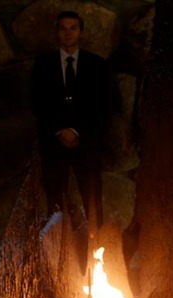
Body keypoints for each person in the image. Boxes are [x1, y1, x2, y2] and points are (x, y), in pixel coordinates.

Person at [32, 10, 108, 226]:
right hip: (53, 142)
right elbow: (37, 101)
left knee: (92, 197)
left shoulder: (96, 65)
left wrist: (76, 131)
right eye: (63, 28)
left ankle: (97, 247)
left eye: (73, 28)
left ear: (80, 32)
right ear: (57, 32)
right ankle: (56, 248)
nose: (68, 33)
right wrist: (60, 129)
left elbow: (102, 104)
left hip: (87, 141)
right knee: (54, 199)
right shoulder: (43, 64)